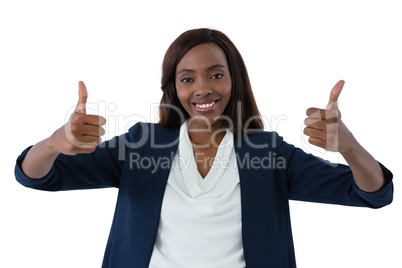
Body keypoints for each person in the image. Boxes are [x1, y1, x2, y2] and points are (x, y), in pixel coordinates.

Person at [15, 28, 393, 267]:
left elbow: (371, 193)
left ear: (234, 79)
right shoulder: (140, 145)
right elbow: (37, 176)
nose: (203, 89)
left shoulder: (267, 151)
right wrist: (54, 143)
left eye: (216, 74)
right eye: (187, 78)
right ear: (173, 89)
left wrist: (349, 147)